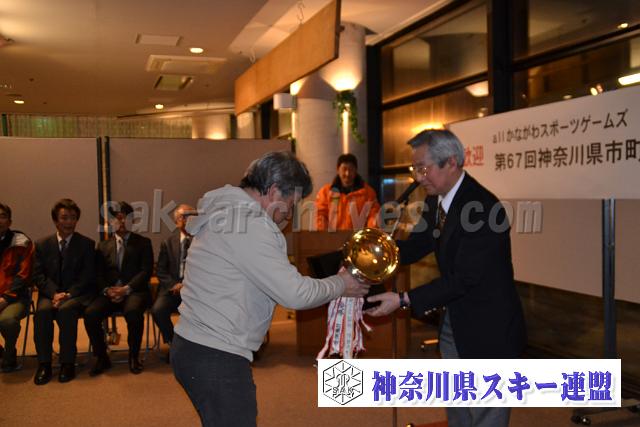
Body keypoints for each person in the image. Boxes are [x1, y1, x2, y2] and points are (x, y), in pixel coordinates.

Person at [171, 151, 370, 427]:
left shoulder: (229, 211)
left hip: (197, 346)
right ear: (274, 191)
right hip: (216, 355)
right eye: (291, 203)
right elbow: (295, 294)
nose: (289, 213)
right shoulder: (250, 224)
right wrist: (342, 284)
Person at [366, 129, 526, 427]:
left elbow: (464, 279)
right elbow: (417, 245)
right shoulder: (436, 200)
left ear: (451, 162)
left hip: (489, 328)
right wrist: (373, 257)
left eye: (423, 168)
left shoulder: (483, 208)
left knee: (486, 413)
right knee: (458, 408)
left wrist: (403, 299)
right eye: (415, 169)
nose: (418, 177)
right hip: (456, 319)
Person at [84, 201, 153, 375]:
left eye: (125, 218)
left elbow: (146, 271)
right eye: (117, 219)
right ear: (110, 222)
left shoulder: (144, 243)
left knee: (133, 312)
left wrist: (126, 289)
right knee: (91, 314)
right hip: (110, 292)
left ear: (133, 221)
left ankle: (133, 356)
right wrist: (107, 290)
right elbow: (98, 274)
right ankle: (102, 357)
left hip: (134, 291)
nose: (121, 222)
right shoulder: (103, 246)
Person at [32, 199, 96, 385]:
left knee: (66, 310)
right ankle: (44, 363)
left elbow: (87, 276)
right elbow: (38, 275)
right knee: (42, 312)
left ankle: (67, 362)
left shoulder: (86, 244)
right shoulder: (42, 244)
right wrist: (54, 293)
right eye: (64, 218)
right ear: (55, 220)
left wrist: (68, 294)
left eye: (73, 218)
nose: (69, 222)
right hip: (50, 294)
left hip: (76, 294)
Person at [151, 203, 195, 362]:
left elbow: (208, 269)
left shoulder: (203, 241)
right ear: (177, 222)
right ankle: (175, 345)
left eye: (191, 216)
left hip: (195, 291)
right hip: (172, 290)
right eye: (184, 217)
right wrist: (174, 285)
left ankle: (197, 348)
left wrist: (187, 285)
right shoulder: (168, 242)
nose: (188, 219)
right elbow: (161, 270)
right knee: (158, 310)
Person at [0, 203, 34, 373]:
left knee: (7, 321)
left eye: (2, 216)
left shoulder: (22, 243)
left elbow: (24, 275)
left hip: (16, 298)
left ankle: (9, 355)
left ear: (10, 221)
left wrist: (5, 298)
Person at [315, 153, 380, 231]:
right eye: (344, 169)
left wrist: (370, 233)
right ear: (338, 170)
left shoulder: (368, 193)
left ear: (356, 170)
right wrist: (323, 235)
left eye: (351, 169)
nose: (347, 173)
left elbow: (373, 215)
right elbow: (320, 215)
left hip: (358, 237)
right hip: (333, 237)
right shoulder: (325, 192)